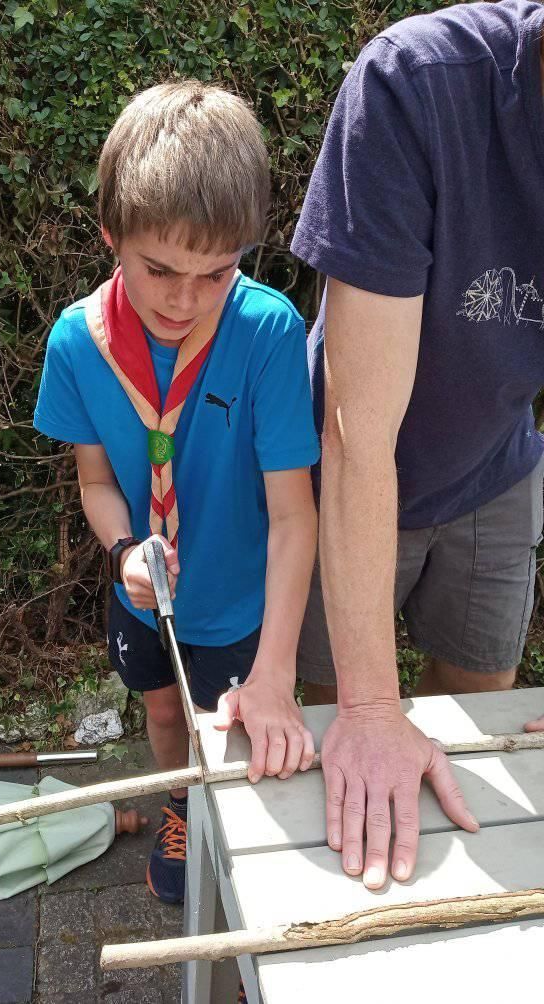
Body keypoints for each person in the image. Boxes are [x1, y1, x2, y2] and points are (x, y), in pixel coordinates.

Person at [34, 81, 320, 903]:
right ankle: (181, 807)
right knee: (166, 720)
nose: (184, 300)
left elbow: (296, 516)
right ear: (111, 237)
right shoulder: (77, 344)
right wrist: (125, 551)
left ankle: (229, 833)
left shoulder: (267, 331)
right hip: (145, 601)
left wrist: (274, 674)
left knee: (234, 746)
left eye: (216, 272)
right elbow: (96, 481)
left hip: (238, 609)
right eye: (159, 269)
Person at [292, 0, 544, 892]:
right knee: (335, 733)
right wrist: (369, 707)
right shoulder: (414, 86)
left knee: (485, 712)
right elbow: (362, 433)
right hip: (356, 475)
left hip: (498, 467)